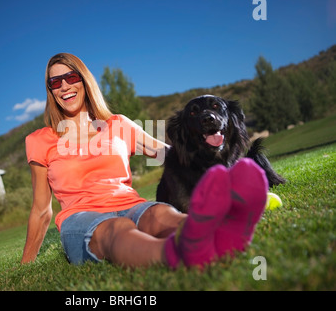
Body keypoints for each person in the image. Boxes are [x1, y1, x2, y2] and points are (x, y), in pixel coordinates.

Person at [21, 52, 268, 269]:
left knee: (161, 215)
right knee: (117, 229)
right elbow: (42, 209)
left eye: (71, 77)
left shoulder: (118, 124)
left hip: (131, 205)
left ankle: (220, 229)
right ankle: (177, 255)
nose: (64, 86)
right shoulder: (40, 140)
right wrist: (26, 264)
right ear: (50, 91)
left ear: (84, 81)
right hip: (82, 218)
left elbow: (173, 155)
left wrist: (221, 158)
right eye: (55, 82)